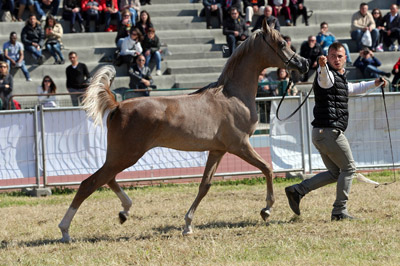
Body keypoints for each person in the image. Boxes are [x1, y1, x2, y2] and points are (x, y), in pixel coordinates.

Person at [285, 42, 388, 221]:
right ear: (327, 56)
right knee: (349, 169)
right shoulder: (326, 75)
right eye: (333, 56)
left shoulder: (340, 80)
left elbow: (354, 89)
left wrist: (375, 83)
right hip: (329, 132)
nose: (337, 59)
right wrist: (322, 66)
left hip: (320, 134)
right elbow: (324, 79)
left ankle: (298, 190)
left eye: (340, 56)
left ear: (345, 58)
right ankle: (339, 211)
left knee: (335, 172)